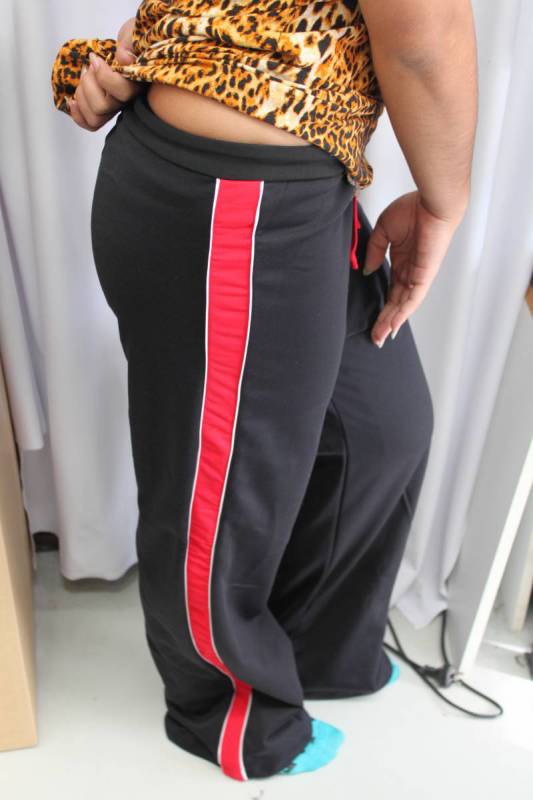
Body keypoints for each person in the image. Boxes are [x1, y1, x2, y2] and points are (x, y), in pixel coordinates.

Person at [51, 0, 477, 782]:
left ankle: (313, 648)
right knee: (219, 497)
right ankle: (225, 709)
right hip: (233, 196)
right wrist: (444, 202)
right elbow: (422, 33)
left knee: (379, 426)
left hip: (303, 181)